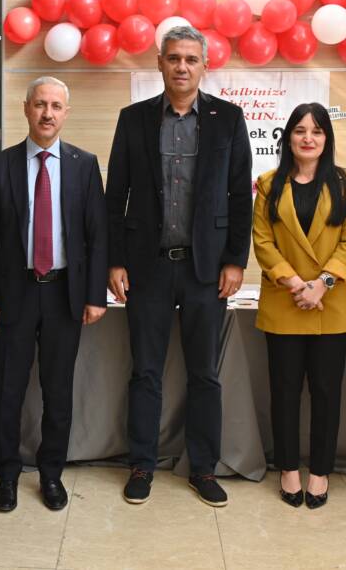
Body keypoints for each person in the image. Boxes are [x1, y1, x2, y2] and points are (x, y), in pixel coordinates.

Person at [105, 25, 253, 507]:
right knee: (145, 371)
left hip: (205, 270)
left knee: (204, 374)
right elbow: (115, 195)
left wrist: (235, 260)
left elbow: (240, 194)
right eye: (174, 58)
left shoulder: (228, 119)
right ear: (160, 63)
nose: (182, 67)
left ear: (205, 65)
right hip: (147, 267)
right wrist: (115, 261)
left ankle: (203, 468)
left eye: (191, 59)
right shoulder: (133, 119)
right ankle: (142, 464)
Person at [0, 76, 107, 512]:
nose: (47, 113)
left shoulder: (85, 165)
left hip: (64, 296)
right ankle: (7, 476)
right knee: (8, 392)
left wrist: (95, 296)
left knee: (58, 391)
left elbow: (97, 236)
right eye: (40, 105)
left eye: (55, 106)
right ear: (26, 108)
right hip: (14, 295)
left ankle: (52, 475)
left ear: (66, 113)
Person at [252, 102, 346, 510]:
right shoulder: (268, 183)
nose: (308, 138)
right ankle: (288, 469)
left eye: (317, 131)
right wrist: (296, 282)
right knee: (284, 392)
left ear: (327, 138)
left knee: (326, 393)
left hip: (331, 305)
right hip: (285, 301)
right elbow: (262, 241)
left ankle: (320, 471)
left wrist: (322, 283)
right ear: (288, 137)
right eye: (300, 130)